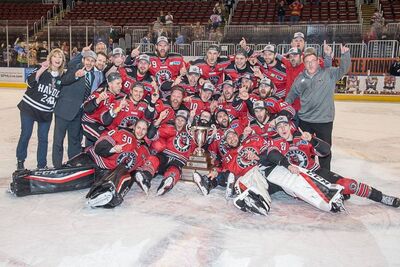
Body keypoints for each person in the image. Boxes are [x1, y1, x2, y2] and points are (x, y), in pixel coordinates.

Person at [264, 116, 400, 208]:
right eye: (279, 127)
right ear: (276, 130)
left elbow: (325, 151)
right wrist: (287, 166)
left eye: (285, 125)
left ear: (290, 126)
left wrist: (312, 140)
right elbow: (272, 154)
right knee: (264, 185)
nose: (282, 129)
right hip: (292, 178)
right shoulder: (275, 142)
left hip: (314, 173)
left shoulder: (302, 138)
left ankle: (381, 197)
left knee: (350, 185)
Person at [286, 45, 351, 171]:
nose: (310, 65)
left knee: (324, 151)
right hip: (305, 121)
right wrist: (284, 110)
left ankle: (325, 174)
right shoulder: (300, 78)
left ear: (317, 62)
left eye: (313, 61)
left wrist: (345, 55)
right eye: (307, 62)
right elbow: (291, 96)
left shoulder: (329, 73)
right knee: (305, 149)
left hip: (324, 121)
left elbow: (344, 69)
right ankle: (307, 173)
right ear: (304, 64)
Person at [16, 48, 66, 170]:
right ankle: (20, 161)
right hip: (29, 108)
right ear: (50, 58)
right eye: (55, 56)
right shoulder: (41, 69)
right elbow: (29, 82)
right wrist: (42, 69)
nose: (57, 59)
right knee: (26, 134)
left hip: (45, 112)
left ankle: (42, 165)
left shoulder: (62, 76)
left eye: (60, 57)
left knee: (43, 139)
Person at [52, 50, 97, 168]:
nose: (89, 63)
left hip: (78, 114)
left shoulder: (93, 75)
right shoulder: (74, 68)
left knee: (75, 141)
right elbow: (63, 81)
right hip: (63, 111)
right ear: (83, 60)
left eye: (92, 61)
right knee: (58, 141)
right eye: (87, 60)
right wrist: (76, 75)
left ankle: (73, 165)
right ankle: (57, 166)